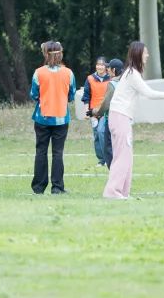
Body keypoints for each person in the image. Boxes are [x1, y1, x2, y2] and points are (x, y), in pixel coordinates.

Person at [103, 41, 164, 199]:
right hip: (120, 116)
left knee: (127, 157)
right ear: (138, 54)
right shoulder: (132, 74)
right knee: (122, 156)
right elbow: (149, 93)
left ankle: (123, 193)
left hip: (121, 117)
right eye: (145, 52)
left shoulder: (132, 73)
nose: (147, 55)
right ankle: (112, 192)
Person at [31, 40, 76, 195]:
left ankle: (38, 187)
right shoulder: (68, 73)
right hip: (61, 118)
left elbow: (34, 94)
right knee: (58, 152)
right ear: (60, 54)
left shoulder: (38, 72)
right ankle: (57, 187)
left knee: (41, 151)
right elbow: (71, 95)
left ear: (45, 54)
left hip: (42, 117)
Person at [81, 56, 111, 167]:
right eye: (98, 64)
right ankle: (101, 160)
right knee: (96, 135)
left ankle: (108, 158)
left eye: (102, 65)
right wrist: (86, 112)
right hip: (93, 112)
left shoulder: (111, 78)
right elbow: (86, 97)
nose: (99, 67)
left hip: (106, 112)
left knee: (101, 132)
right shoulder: (90, 79)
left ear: (106, 66)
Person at [93, 58, 123, 168]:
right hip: (123, 119)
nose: (107, 69)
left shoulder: (112, 84)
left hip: (111, 119)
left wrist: (96, 112)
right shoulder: (125, 82)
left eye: (109, 68)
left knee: (108, 148)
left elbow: (106, 104)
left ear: (113, 70)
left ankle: (114, 170)